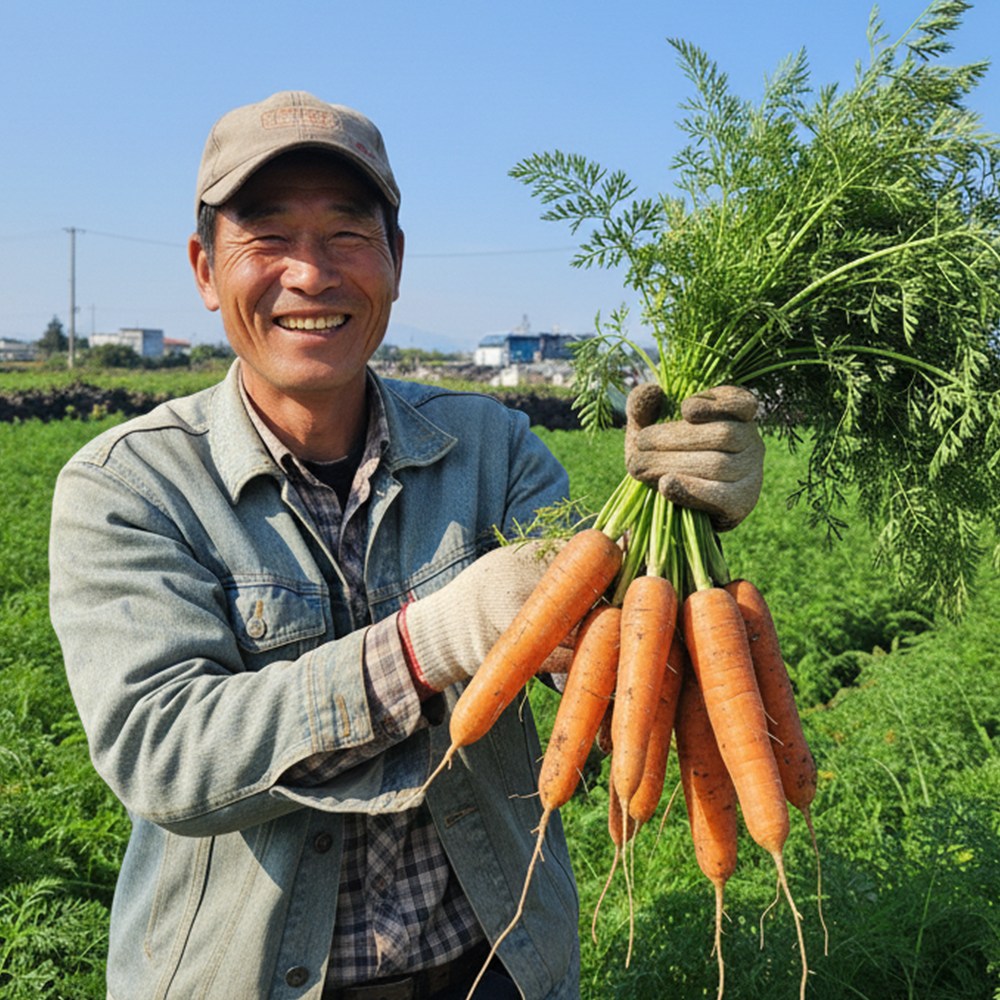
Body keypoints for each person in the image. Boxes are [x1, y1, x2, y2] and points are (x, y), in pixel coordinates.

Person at [48, 90, 764, 1000]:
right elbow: (168, 754)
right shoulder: (128, 486)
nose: (311, 274)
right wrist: (434, 643)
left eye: (348, 233)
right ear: (203, 269)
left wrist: (681, 513)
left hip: (497, 966)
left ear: (395, 260)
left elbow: (611, 656)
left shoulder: (494, 447)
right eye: (268, 237)